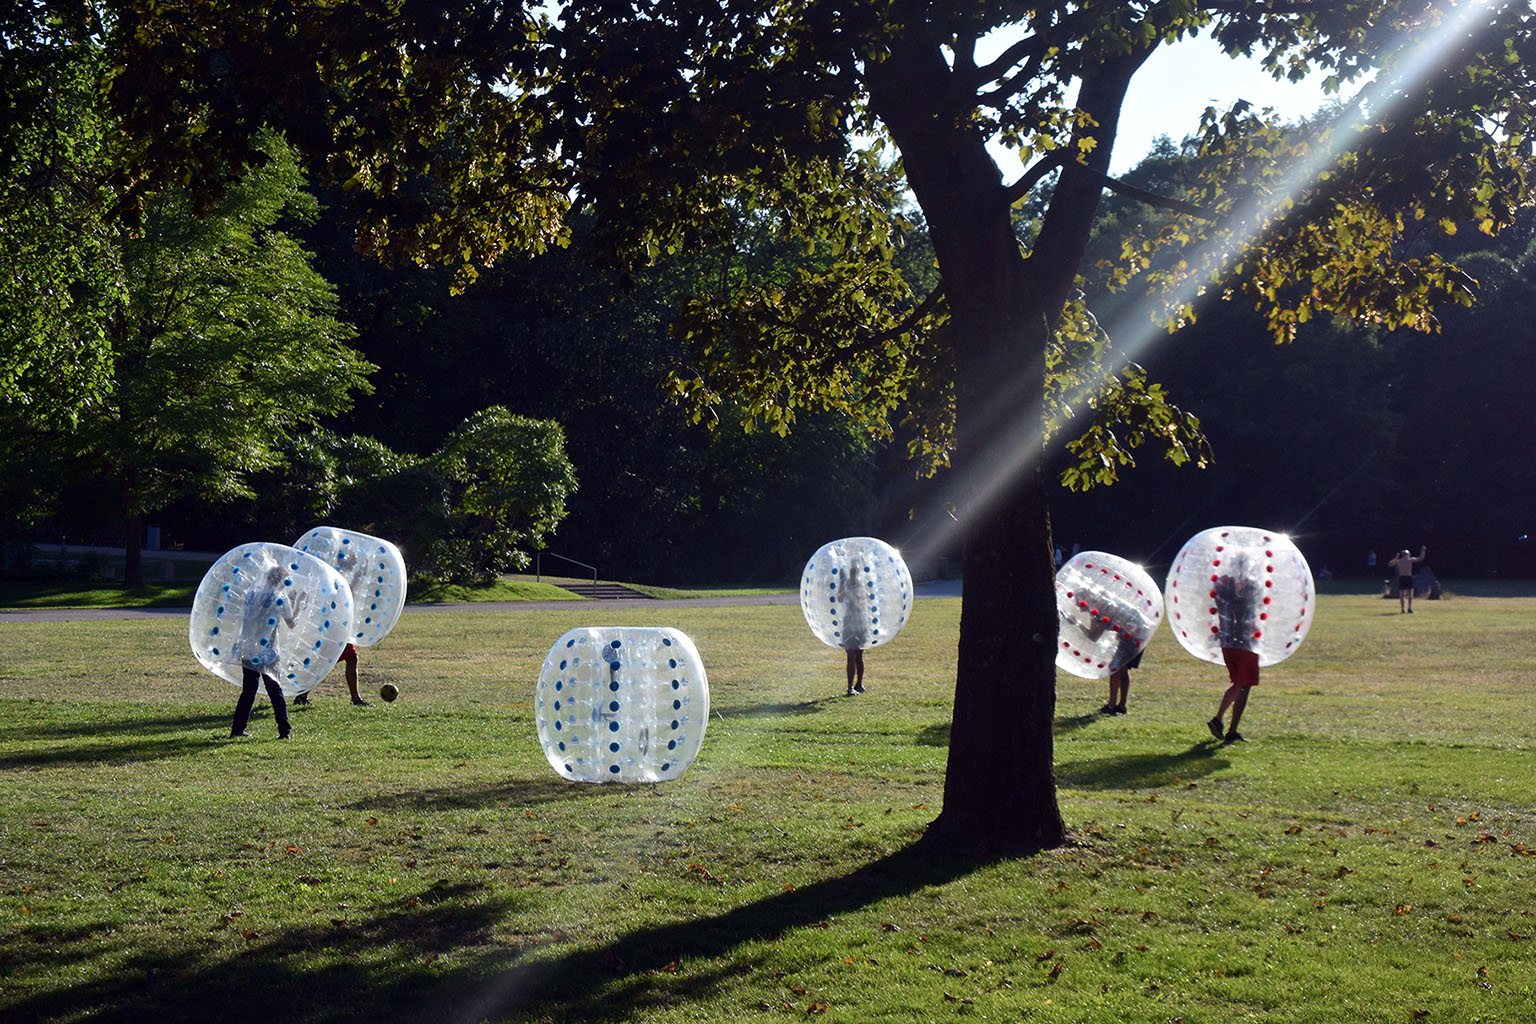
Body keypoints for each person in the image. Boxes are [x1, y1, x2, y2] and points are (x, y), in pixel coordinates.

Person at [230, 564, 306, 738]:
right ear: (281, 581)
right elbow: (291, 622)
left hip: (248, 648)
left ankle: (237, 729)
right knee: (275, 690)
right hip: (268, 651)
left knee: (249, 690)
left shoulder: (253, 594)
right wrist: (300, 604)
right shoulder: (280, 597)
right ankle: (284, 730)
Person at [1206, 569, 1260, 744]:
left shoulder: (1223, 591)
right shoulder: (1244, 594)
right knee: (1243, 685)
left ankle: (1226, 726)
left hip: (1227, 642)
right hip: (1245, 644)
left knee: (1240, 683)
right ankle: (1224, 724)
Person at [839, 564, 869, 696]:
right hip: (852, 623)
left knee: (857, 655)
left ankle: (858, 684)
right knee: (853, 655)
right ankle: (853, 686)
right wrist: (842, 584)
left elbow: (863, 600)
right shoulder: (845, 584)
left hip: (859, 622)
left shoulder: (862, 586)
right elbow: (840, 598)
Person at [1388, 545, 1428, 613]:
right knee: (1402, 594)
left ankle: (1409, 608)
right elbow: (1390, 564)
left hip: (1407, 577)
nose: (1406, 555)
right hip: (1403, 577)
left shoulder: (1407, 560)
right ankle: (1403, 609)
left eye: (1406, 554)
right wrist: (1423, 550)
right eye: (1405, 554)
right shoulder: (1402, 561)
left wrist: (1423, 551)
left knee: (1409, 593)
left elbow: (1421, 558)